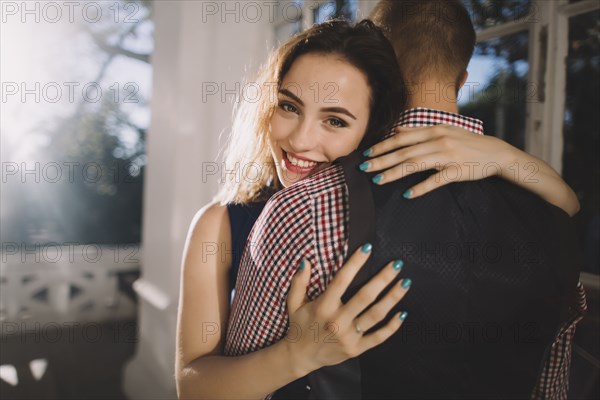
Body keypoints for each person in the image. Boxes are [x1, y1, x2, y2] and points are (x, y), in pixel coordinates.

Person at [224, 1, 585, 399]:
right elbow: (550, 389)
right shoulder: (553, 218)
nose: (302, 140)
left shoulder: (304, 208)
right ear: (463, 78)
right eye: (290, 106)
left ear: (376, 73)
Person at [176, 19, 415, 400]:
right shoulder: (218, 224)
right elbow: (193, 388)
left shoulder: (403, 217)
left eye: (334, 120)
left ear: (371, 131)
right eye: (289, 107)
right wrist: (297, 353)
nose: (301, 140)